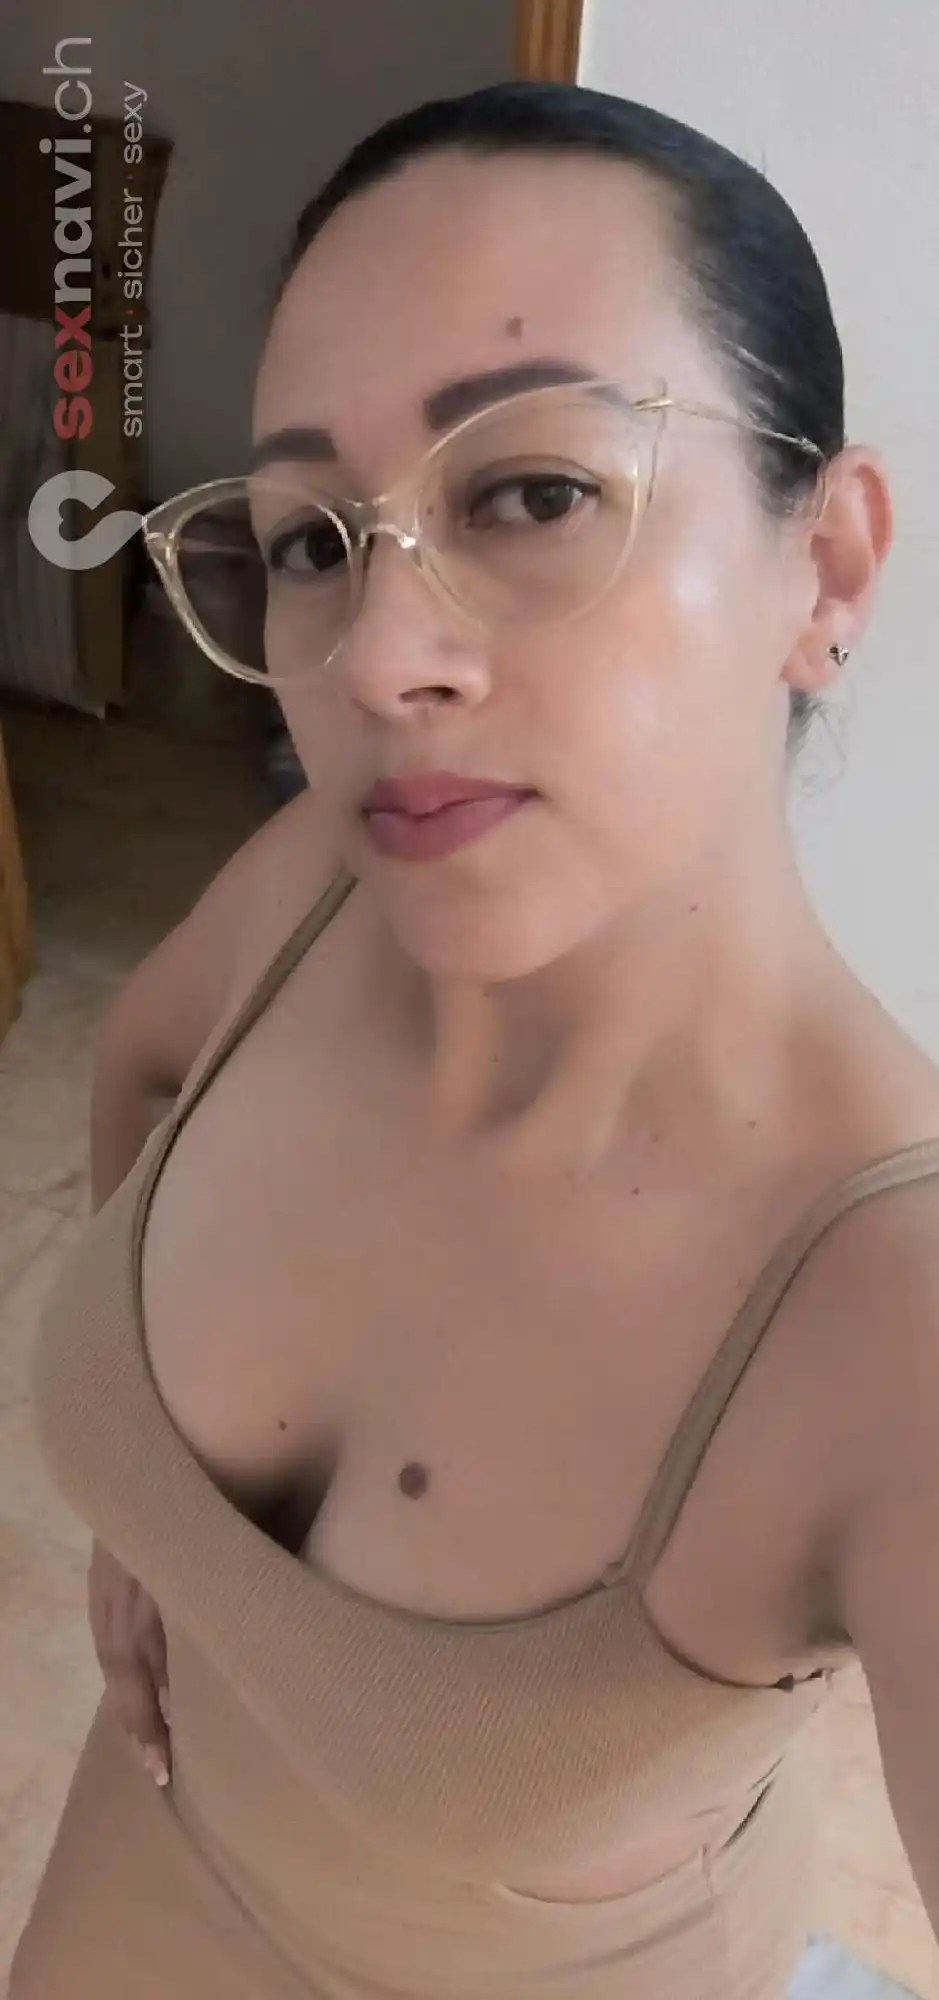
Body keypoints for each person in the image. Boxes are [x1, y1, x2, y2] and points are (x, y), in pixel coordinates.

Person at [12, 79, 939, 2000]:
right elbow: (138, 1067)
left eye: (531, 495)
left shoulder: (892, 1312)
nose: (375, 660)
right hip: (149, 1847)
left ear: (828, 566)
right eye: (312, 542)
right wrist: (151, 1543)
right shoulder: (317, 889)